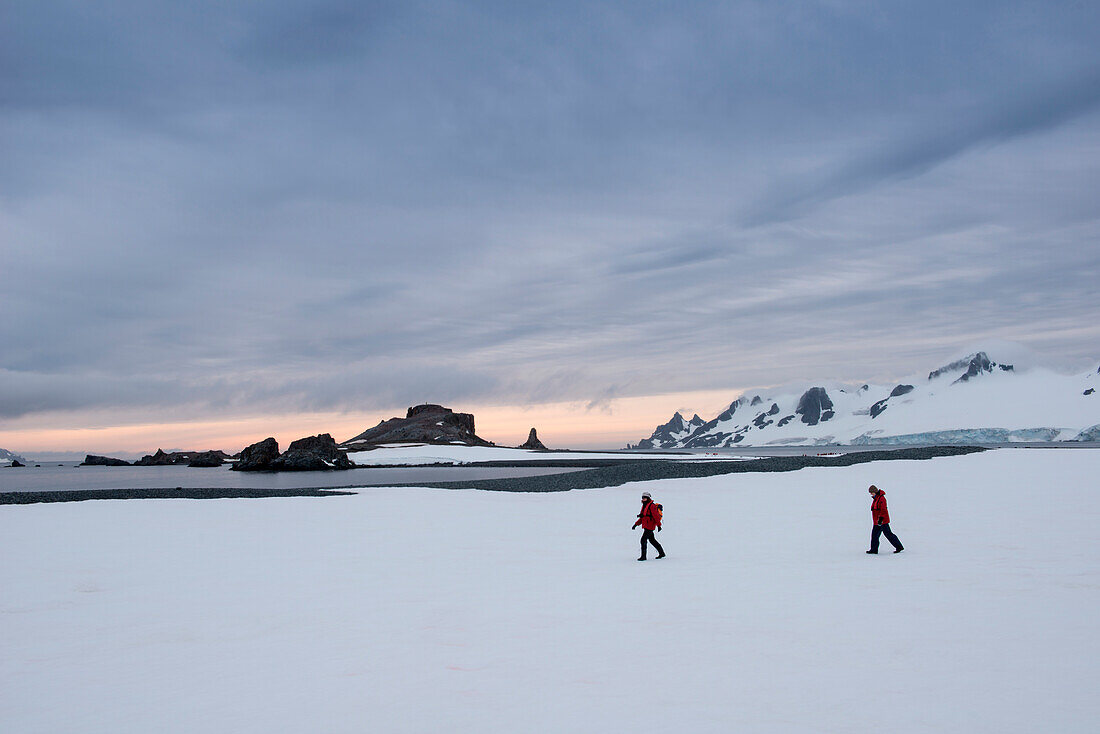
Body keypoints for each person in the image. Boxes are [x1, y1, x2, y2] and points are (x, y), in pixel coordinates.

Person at [866, 484, 904, 554]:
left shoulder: (881, 499)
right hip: (877, 522)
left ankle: (899, 547)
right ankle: (874, 550)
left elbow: (883, 510)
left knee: (888, 534)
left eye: (871, 492)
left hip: (882, 521)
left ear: (875, 491)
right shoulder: (876, 498)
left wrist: (880, 519)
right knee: (874, 535)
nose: (871, 494)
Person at [632, 491, 665, 561]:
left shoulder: (652, 506)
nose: (643, 499)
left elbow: (656, 517)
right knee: (652, 540)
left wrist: (659, 525)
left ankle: (643, 557)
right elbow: (643, 517)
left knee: (643, 540)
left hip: (650, 526)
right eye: (642, 498)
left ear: (648, 498)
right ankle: (661, 553)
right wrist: (635, 524)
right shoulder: (644, 505)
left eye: (645, 498)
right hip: (646, 525)